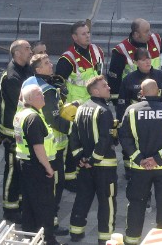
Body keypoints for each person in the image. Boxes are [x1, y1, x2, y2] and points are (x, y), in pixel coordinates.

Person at [119, 79, 162, 245]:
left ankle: (132, 240)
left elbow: (125, 138)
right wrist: (158, 159)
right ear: (159, 92)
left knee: (136, 204)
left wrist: (140, 159)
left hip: (139, 169)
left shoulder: (131, 111)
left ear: (141, 93)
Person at [21, 54, 71, 236]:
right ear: (38, 69)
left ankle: (30, 225)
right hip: (50, 150)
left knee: (30, 192)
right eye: (47, 63)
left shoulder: (28, 82)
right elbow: (55, 119)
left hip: (26, 150)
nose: (51, 65)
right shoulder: (47, 91)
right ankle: (51, 226)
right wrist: (74, 128)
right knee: (53, 190)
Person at [68, 75, 118, 244]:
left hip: (84, 166)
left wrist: (80, 158)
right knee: (107, 202)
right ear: (95, 91)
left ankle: (76, 232)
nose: (109, 87)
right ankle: (105, 238)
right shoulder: (104, 112)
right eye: (105, 86)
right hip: (104, 166)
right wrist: (93, 160)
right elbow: (105, 140)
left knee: (82, 198)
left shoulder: (81, 109)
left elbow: (73, 136)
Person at [56, 21, 105, 191]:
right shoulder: (67, 59)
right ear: (74, 37)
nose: (87, 36)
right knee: (74, 142)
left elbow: (100, 76)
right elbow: (58, 84)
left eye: (88, 32)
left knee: (92, 140)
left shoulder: (97, 52)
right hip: (75, 108)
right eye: (83, 34)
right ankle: (70, 178)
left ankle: (88, 172)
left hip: (95, 106)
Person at [13, 85, 64, 245]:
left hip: (25, 164)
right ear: (30, 99)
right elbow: (38, 146)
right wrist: (48, 167)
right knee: (45, 205)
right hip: (38, 167)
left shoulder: (22, 114)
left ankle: (29, 236)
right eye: (39, 95)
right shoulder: (33, 118)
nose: (43, 97)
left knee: (29, 203)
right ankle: (48, 239)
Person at [0, 39, 33, 223]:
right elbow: (21, 101)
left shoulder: (26, 70)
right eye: (27, 48)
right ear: (17, 53)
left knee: (20, 170)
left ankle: (19, 203)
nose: (30, 51)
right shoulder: (11, 76)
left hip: (22, 128)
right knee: (12, 170)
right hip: (12, 132)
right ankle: (9, 208)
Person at [107, 18, 162, 102]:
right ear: (136, 34)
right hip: (133, 100)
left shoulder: (155, 40)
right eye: (146, 32)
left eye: (149, 30)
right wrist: (117, 101)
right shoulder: (121, 50)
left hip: (156, 96)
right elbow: (114, 79)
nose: (150, 34)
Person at [117, 48, 162, 121]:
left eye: (148, 58)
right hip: (137, 118)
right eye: (143, 60)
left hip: (160, 117)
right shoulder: (129, 79)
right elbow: (122, 105)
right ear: (136, 62)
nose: (147, 62)